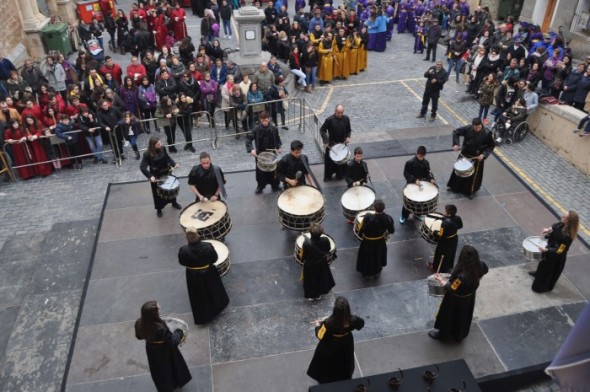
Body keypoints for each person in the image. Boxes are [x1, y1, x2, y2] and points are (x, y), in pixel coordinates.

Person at [429, 245, 488, 341]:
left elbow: (451, 288)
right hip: (469, 298)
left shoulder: (461, 277)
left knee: (449, 317)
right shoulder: (480, 265)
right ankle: (459, 334)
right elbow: (486, 270)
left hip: (456, 300)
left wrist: (441, 280)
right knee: (462, 317)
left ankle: (444, 334)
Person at [134, 301, 192, 391]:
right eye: (158, 308)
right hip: (165, 351)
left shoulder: (139, 323)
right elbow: (173, 341)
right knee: (171, 367)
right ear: (153, 314)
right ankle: (174, 383)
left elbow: (139, 336)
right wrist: (179, 332)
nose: (160, 307)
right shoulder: (160, 329)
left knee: (159, 371)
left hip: (151, 350)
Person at [307, 296, 365, 384]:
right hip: (346, 344)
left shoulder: (328, 323)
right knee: (344, 363)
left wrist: (317, 325)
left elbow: (320, 335)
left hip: (330, 346)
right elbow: (361, 324)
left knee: (329, 365)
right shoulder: (352, 320)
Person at [178, 227, 230, 324]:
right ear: (198, 236)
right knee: (213, 290)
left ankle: (203, 316)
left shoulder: (183, 250)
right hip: (208, 272)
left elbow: (182, 262)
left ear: (186, 238)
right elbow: (215, 258)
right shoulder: (207, 247)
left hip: (192, 275)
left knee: (197, 296)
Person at [530, 211, 579, 293]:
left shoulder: (567, 237)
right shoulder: (562, 224)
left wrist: (547, 250)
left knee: (547, 272)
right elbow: (555, 227)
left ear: (568, 221)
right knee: (542, 264)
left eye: (564, 217)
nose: (562, 217)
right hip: (550, 249)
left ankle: (540, 288)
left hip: (555, 257)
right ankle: (537, 274)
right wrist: (549, 229)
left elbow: (559, 250)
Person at [447, 118, 495, 199]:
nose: (477, 129)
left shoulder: (487, 133)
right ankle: (454, 187)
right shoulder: (467, 128)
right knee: (459, 171)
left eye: (479, 127)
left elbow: (491, 146)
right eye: (475, 128)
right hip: (465, 154)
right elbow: (456, 132)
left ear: (481, 125)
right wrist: (456, 144)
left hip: (477, 157)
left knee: (473, 176)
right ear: (473, 126)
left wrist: (483, 155)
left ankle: (470, 191)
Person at [140, 136, 182, 217]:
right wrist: (150, 176)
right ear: (153, 145)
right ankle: (159, 209)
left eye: (160, 142)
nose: (160, 144)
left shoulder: (163, 148)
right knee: (157, 194)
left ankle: (174, 202)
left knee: (171, 189)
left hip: (166, 172)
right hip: (156, 176)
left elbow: (167, 158)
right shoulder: (147, 154)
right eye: (158, 144)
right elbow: (142, 167)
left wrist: (174, 164)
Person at [245, 111, 282, 194]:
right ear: (260, 120)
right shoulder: (256, 129)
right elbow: (248, 139)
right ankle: (260, 186)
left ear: (268, 119)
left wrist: (279, 147)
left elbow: (278, 139)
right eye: (263, 121)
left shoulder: (274, 129)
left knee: (273, 170)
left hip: (272, 153)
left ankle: (275, 185)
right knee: (260, 171)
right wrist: (251, 149)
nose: (265, 122)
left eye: (266, 120)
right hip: (260, 154)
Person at [356, 199, 395, 278]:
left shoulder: (367, 217)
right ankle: (377, 272)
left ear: (374, 208)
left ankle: (365, 273)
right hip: (380, 241)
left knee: (366, 257)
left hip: (367, 241)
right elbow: (392, 231)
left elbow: (361, 230)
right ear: (384, 208)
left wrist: (361, 235)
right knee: (378, 256)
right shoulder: (388, 218)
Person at [400, 146, 436, 224]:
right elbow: (406, 173)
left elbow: (428, 172)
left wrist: (431, 179)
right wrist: (414, 180)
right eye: (420, 156)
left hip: (421, 183)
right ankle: (404, 215)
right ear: (417, 154)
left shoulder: (426, 162)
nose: (421, 158)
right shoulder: (410, 162)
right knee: (409, 201)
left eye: (422, 156)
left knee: (420, 201)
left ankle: (417, 214)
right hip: (411, 183)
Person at [301, 223, 336, 300]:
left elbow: (304, 256)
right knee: (320, 278)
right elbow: (328, 250)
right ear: (321, 233)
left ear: (310, 232)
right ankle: (318, 294)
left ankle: (311, 295)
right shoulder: (326, 240)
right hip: (322, 263)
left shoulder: (306, 243)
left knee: (311, 280)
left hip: (310, 265)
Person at [320, 104, 352, 182]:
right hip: (332, 144)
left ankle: (340, 175)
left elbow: (349, 130)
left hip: (342, 144)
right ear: (335, 111)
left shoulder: (346, 119)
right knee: (329, 162)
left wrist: (348, 137)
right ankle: (328, 176)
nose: (340, 114)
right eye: (338, 113)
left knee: (341, 161)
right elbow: (322, 130)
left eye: (341, 113)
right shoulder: (329, 119)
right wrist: (326, 141)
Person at [430, 204, 463, 272]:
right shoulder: (458, 218)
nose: (444, 212)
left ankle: (435, 267)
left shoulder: (444, 223)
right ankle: (449, 265)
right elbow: (460, 226)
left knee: (440, 254)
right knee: (451, 253)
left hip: (445, 241)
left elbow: (440, 234)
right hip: (454, 238)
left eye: (445, 211)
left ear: (449, 215)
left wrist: (434, 232)